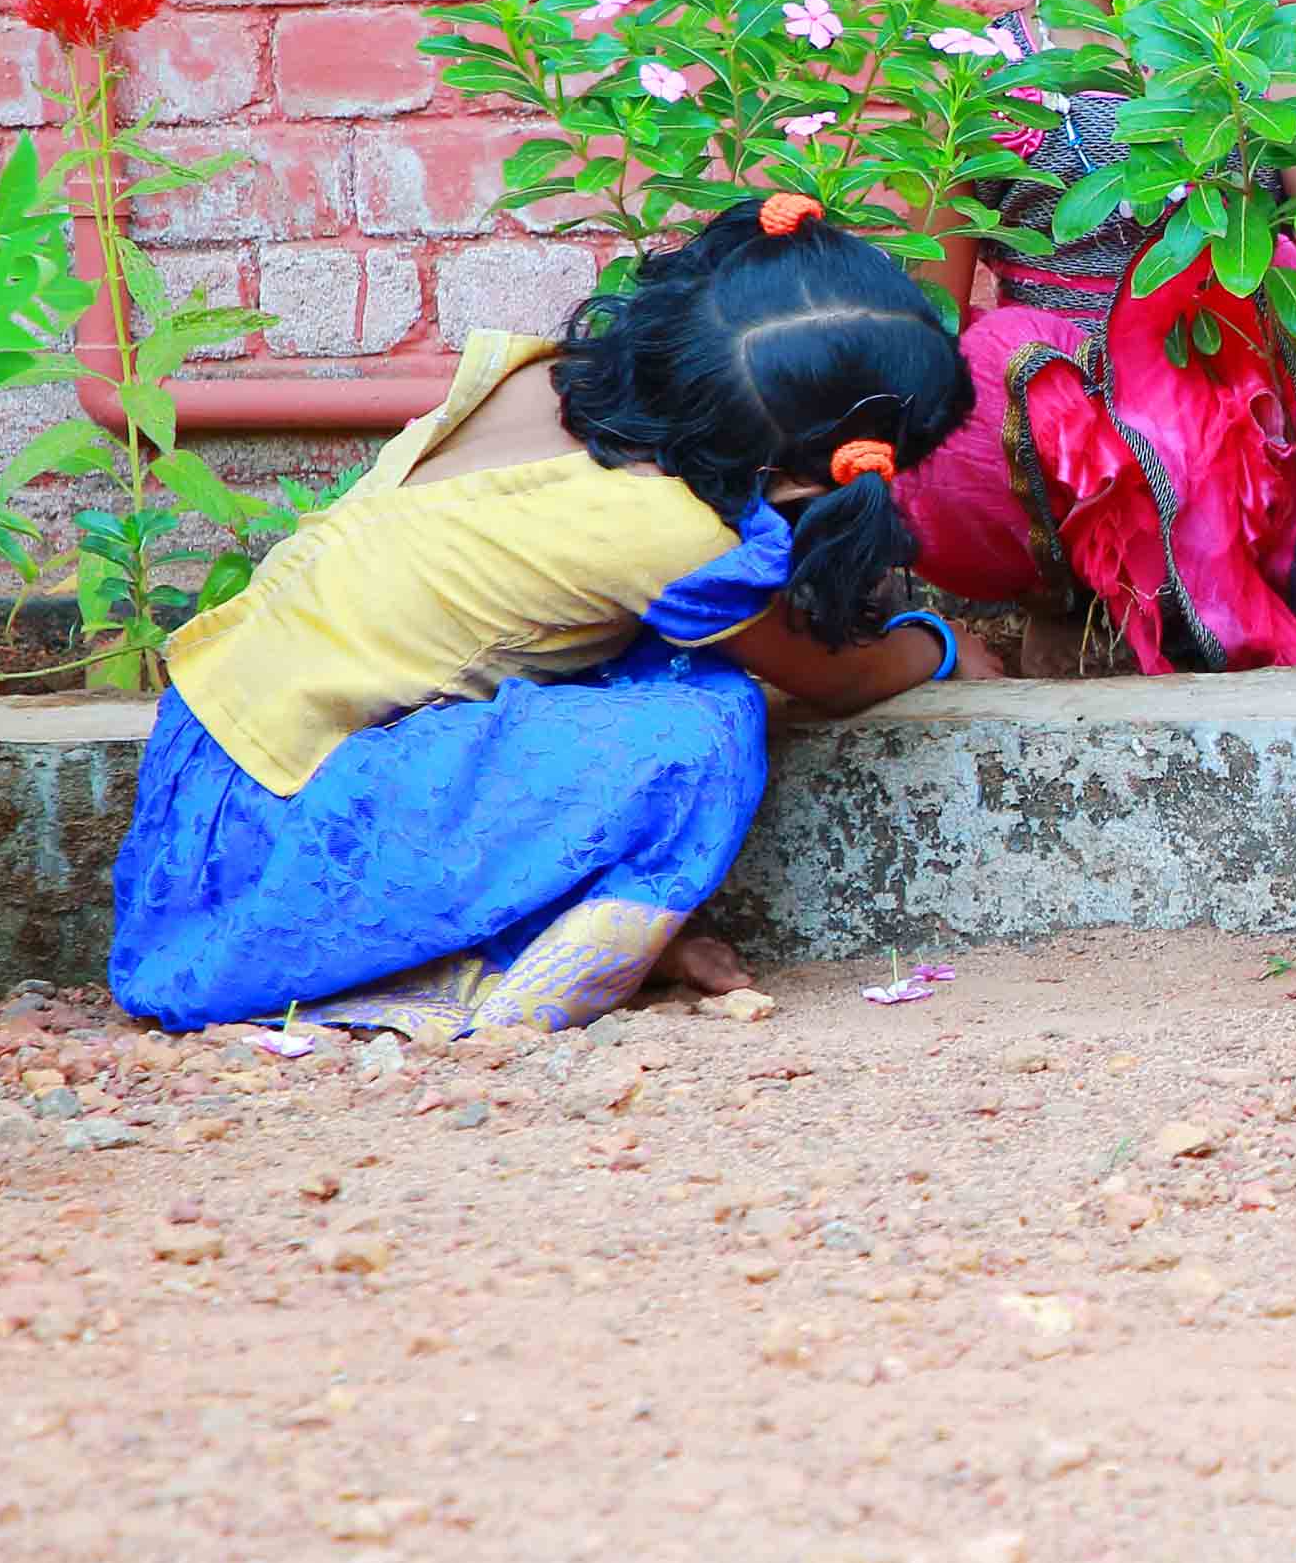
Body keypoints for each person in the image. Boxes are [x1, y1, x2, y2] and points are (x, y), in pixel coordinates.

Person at [110, 197, 1006, 1039]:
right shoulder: (669, 534)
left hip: (212, 754)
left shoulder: (536, 377)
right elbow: (833, 681)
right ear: (815, 477)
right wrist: (936, 644)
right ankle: (548, 964)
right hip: (281, 831)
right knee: (706, 722)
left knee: (652, 658)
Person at [901, 0, 1296, 677]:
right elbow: (928, 313)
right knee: (985, 364)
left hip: (1251, 435)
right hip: (1078, 450)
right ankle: (1091, 610)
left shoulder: (1253, 60)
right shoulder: (984, 77)